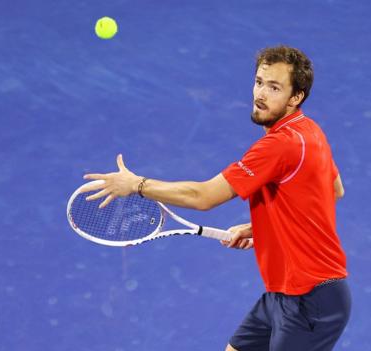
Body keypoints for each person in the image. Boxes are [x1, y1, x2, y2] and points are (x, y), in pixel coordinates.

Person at [83, 45, 351, 351]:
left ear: (295, 97)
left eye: (274, 87)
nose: (261, 94)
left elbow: (203, 196)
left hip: (310, 300)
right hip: (283, 293)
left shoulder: (279, 146)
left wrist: (136, 184)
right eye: (259, 82)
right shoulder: (310, 131)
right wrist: (263, 227)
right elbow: (333, 190)